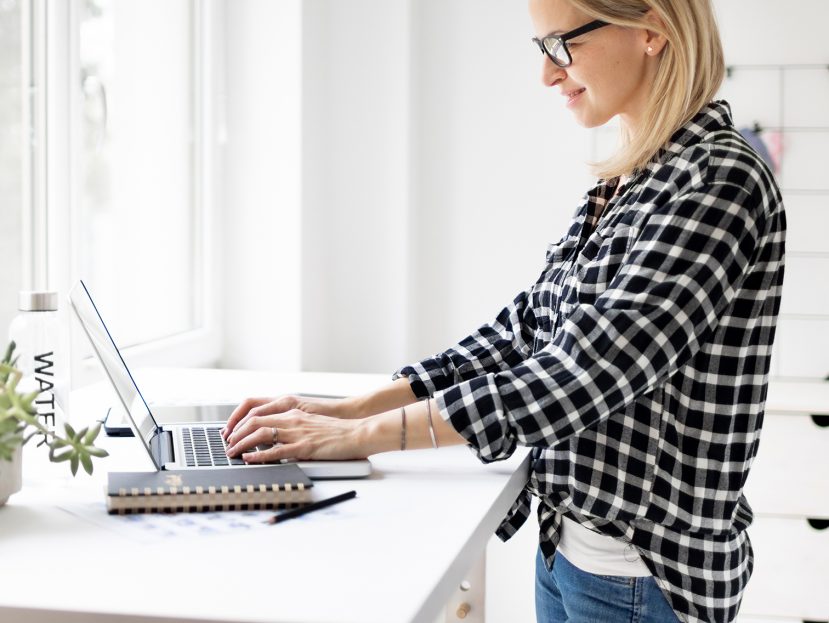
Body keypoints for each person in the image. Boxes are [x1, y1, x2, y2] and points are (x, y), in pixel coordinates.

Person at [221, 0, 785, 621]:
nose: (548, 75)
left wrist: (359, 438)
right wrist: (353, 407)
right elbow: (524, 332)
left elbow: (584, 371)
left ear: (651, 30)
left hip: (644, 577)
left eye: (562, 46)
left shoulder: (719, 178)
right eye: (541, 49)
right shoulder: (629, 179)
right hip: (569, 551)